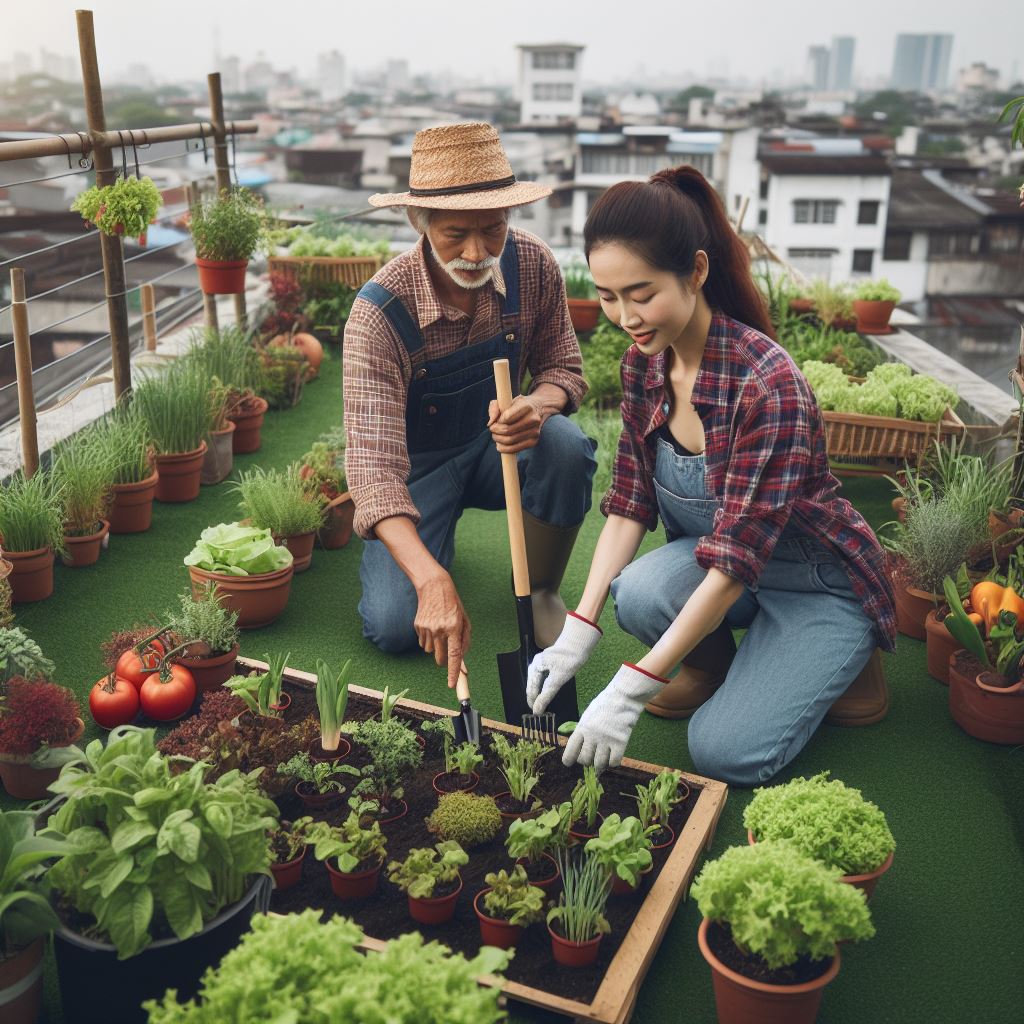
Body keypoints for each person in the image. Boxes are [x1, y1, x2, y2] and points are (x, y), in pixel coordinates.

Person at [526, 165, 896, 786]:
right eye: (609, 296)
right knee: (638, 593)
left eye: (641, 294)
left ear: (696, 272)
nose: (625, 316)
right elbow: (629, 505)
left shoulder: (765, 385)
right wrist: (579, 630)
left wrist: (633, 686)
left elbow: (735, 562)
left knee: (723, 752)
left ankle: (842, 658)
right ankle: (718, 664)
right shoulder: (646, 366)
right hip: (728, 562)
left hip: (814, 578)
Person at [343, 122, 596, 687]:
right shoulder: (379, 314)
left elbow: (565, 369)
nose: (478, 252)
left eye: (493, 229)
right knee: (392, 628)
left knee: (565, 446)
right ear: (420, 222)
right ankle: (432, 549)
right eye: (456, 233)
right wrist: (430, 580)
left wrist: (539, 403)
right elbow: (373, 473)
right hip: (416, 470)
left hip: (499, 447)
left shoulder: (532, 264)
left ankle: (544, 590)